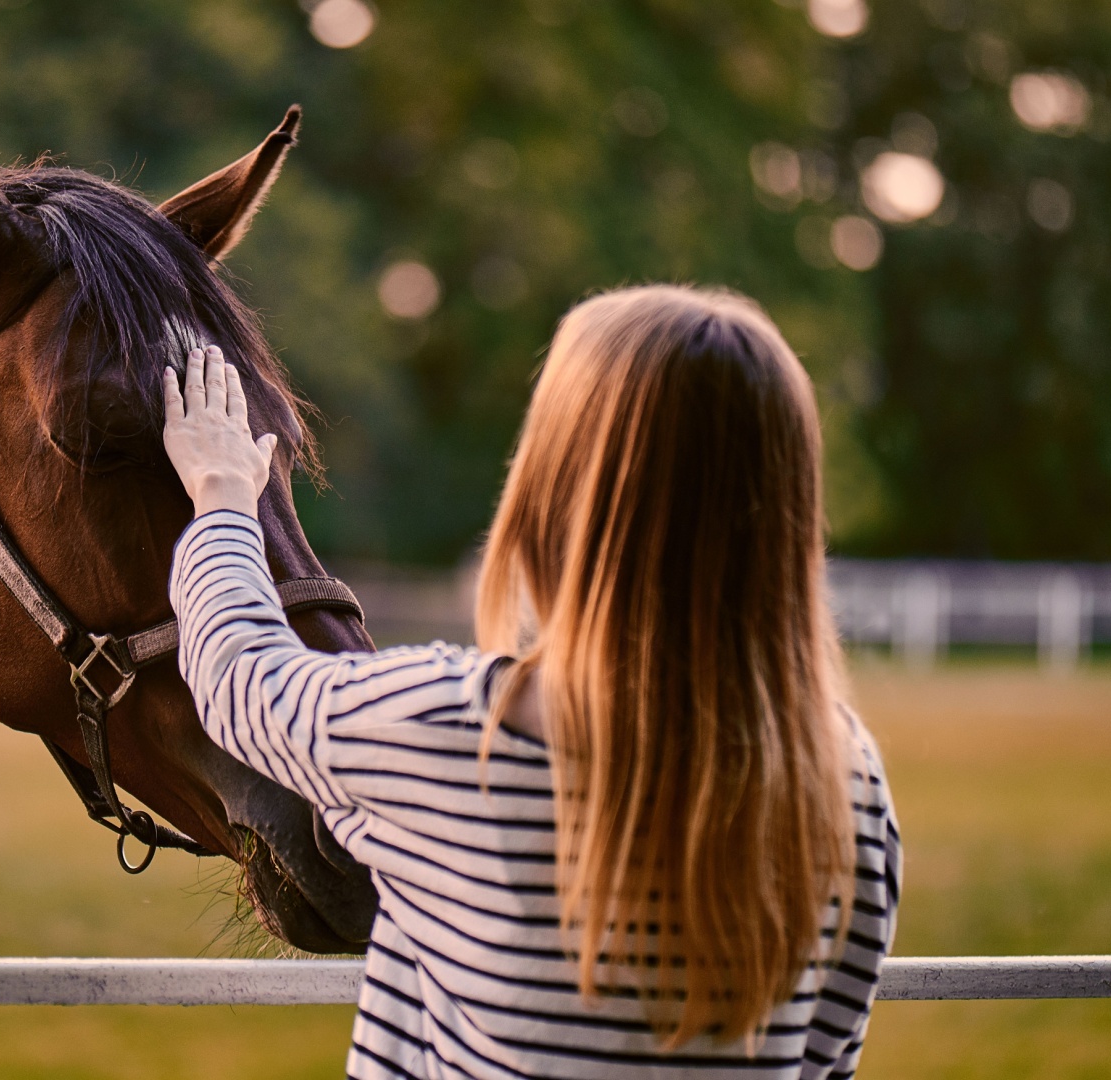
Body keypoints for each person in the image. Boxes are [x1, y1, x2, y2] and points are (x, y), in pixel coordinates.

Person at [161, 283, 900, 1080]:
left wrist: (225, 494)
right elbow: (825, 1062)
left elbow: (239, 676)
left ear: (552, 491)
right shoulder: (845, 785)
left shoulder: (454, 733)